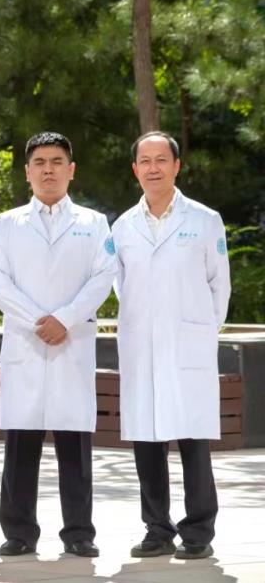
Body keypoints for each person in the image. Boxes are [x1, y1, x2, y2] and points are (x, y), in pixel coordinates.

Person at [0, 132, 117, 558]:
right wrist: (38, 321)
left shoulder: (94, 224)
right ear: (27, 172)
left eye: (57, 161)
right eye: (40, 162)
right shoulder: (7, 223)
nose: (48, 170)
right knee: (20, 443)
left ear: (71, 170)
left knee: (74, 443)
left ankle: (79, 532)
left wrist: (65, 318)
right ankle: (18, 532)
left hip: (71, 341)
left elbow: (103, 277)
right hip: (26, 343)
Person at [112, 131, 230, 560]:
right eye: (145, 161)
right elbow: (121, 285)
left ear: (176, 166)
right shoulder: (123, 226)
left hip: (187, 347)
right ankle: (157, 530)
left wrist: (200, 333)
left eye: (162, 159)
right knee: (147, 440)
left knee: (193, 440)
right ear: (135, 169)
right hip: (142, 348)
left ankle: (198, 531)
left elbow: (219, 285)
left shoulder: (205, 220)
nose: (153, 168)